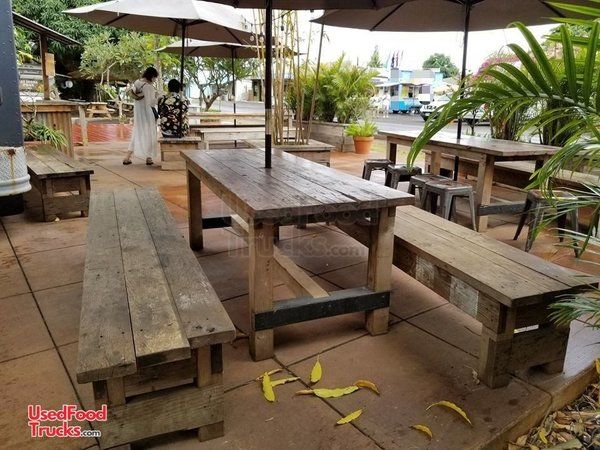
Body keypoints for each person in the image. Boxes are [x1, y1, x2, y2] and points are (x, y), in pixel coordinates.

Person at [123, 67, 159, 166]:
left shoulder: (137, 82)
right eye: (155, 77)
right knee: (150, 134)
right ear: (152, 76)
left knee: (137, 133)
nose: (155, 80)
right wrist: (158, 98)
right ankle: (149, 158)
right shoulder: (149, 87)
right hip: (147, 114)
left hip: (138, 113)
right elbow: (151, 103)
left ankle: (127, 157)